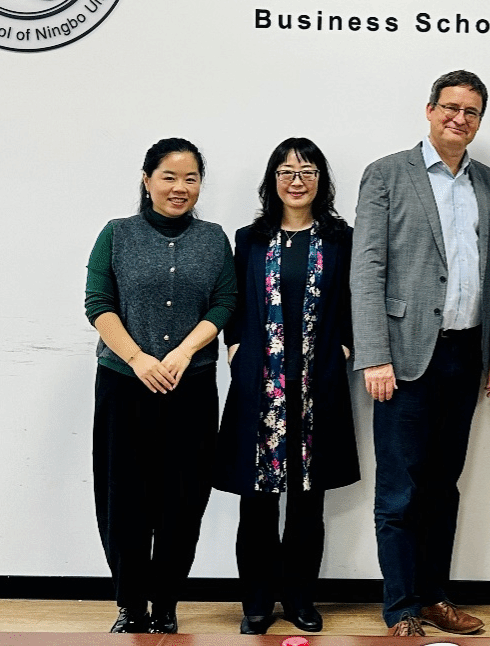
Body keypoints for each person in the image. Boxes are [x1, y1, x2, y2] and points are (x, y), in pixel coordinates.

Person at [351, 69, 490, 637]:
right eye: (450, 107)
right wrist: (375, 354)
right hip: (403, 359)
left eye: (471, 112)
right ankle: (400, 609)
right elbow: (366, 269)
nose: (458, 119)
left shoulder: (488, 182)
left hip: (465, 355)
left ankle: (434, 597)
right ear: (429, 110)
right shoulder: (387, 173)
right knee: (400, 490)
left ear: (479, 121)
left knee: (443, 487)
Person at [85, 137, 237, 634]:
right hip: (124, 386)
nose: (179, 187)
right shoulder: (117, 234)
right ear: (147, 180)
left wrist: (183, 352)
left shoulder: (214, 239)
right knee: (124, 497)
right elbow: (98, 302)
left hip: (190, 388)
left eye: (191, 178)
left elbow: (225, 302)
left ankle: (166, 604)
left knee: (183, 499)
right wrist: (137, 358)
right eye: (169, 177)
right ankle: (131, 606)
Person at [214, 138, 360, 635]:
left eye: (307, 171)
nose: (297, 181)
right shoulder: (250, 239)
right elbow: (232, 301)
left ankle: (300, 599)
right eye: (286, 171)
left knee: (307, 501)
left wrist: (344, 347)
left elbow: (355, 299)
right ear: (272, 180)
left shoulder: (341, 239)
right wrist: (236, 347)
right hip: (260, 385)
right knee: (256, 500)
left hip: (318, 383)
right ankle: (256, 602)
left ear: (321, 180)